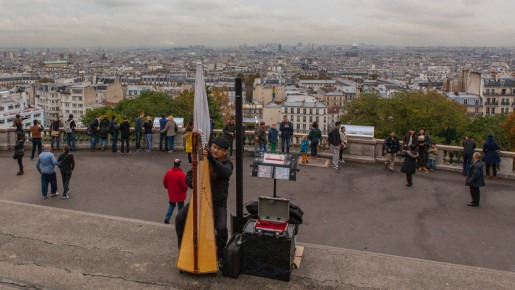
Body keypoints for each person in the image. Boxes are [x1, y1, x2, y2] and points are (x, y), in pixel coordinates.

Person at [176, 137, 233, 261]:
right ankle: (182, 248)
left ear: (225, 152)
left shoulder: (227, 164)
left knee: (221, 228)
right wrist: (190, 182)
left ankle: (220, 253)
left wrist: (211, 159)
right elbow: (190, 174)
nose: (215, 150)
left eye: (219, 149)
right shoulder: (204, 159)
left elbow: (224, 172)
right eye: (214, 147)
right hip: (200, 200)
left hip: (217, 203)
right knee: (180, 218)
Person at [163, 159, 188, 224]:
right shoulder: (181, 174)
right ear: (180, 165)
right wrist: (185, 190)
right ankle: (179, 221)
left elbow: (164, 182)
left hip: (172, 193)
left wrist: (167, 187)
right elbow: (185, 186)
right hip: (180, 194)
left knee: (171, 205)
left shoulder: (168, 172)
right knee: (180, 207)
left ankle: (167, 217)